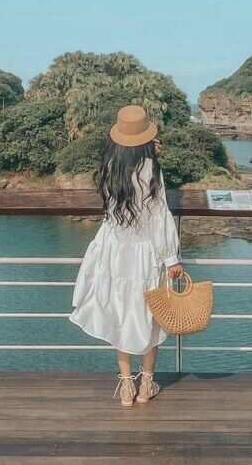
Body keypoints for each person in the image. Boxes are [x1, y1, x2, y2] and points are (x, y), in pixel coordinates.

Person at [69, 105, 184, 407]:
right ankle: (146, 384)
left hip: (115, 251)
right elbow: (159, 217)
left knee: (121, 315)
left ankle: (125, 386)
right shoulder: (151, 169)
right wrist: (170, 258)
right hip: (145, 254)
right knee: (149, 316)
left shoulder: (110, 167)